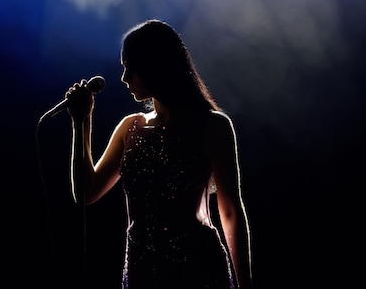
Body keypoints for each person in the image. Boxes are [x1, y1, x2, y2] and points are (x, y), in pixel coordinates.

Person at [64, 19, 252, 289]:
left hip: (198, 271)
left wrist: (246, 283)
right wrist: (81, 122)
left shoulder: (214, 126)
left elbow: (231, 211)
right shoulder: (130, 128)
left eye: (131, 68)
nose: (124, 78)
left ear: (157, 66)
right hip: (144, 273)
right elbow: (85, 192)